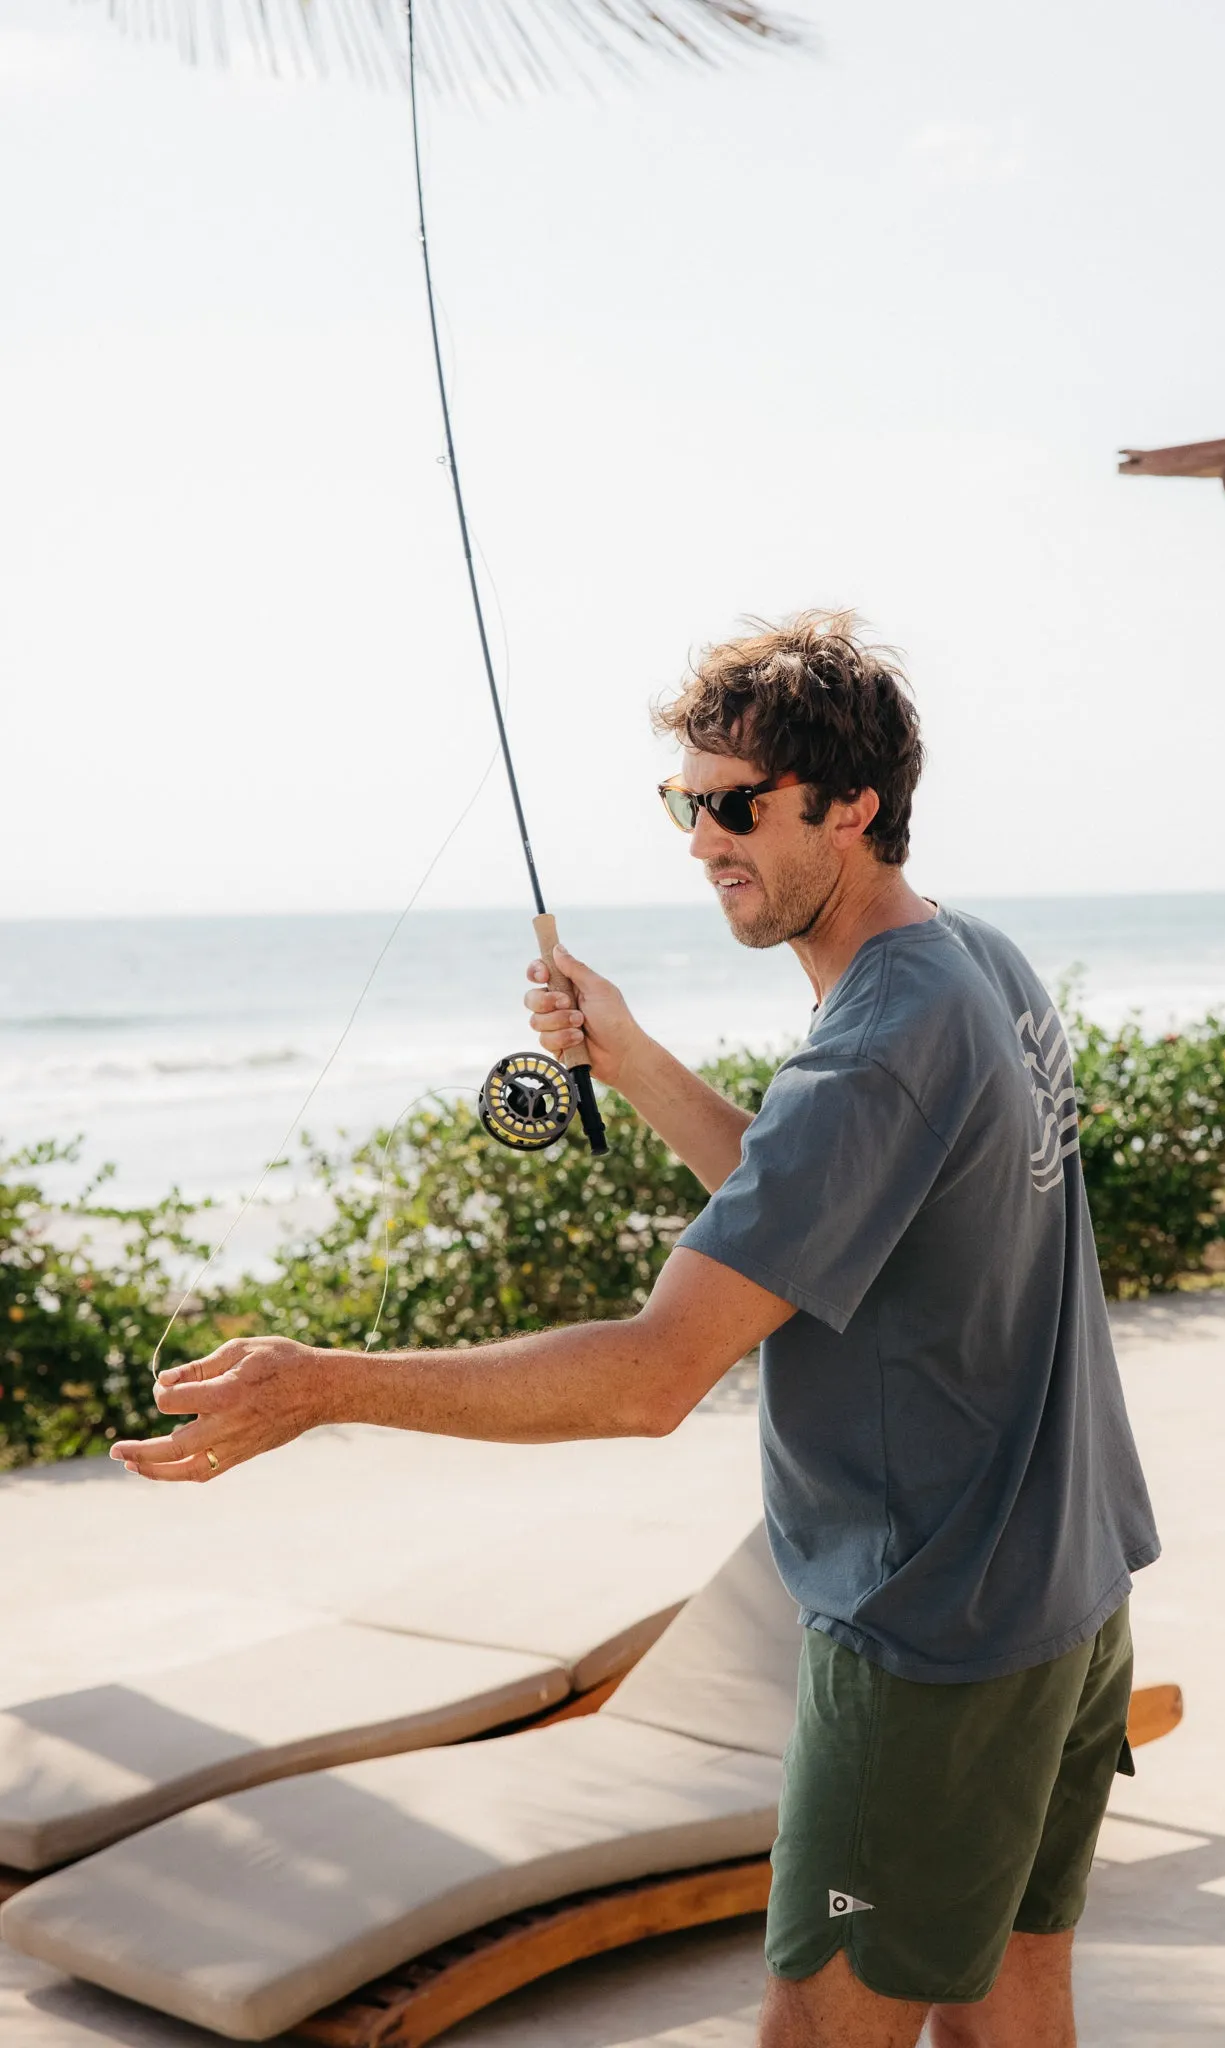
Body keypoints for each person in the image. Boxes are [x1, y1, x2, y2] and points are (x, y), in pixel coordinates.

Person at [112, 611, 1159, 2048]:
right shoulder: (974, 964)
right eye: (688, 803)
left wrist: (323, 1384)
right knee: (1009, 1996)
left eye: (737, 805)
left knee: (820, 2017)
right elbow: (819, 1207)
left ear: (850, 807)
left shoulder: (871, 1048)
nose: (701, 838)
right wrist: (630, 1055)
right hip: (1066, 1593)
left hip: (936, 1638)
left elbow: (654, 1377)